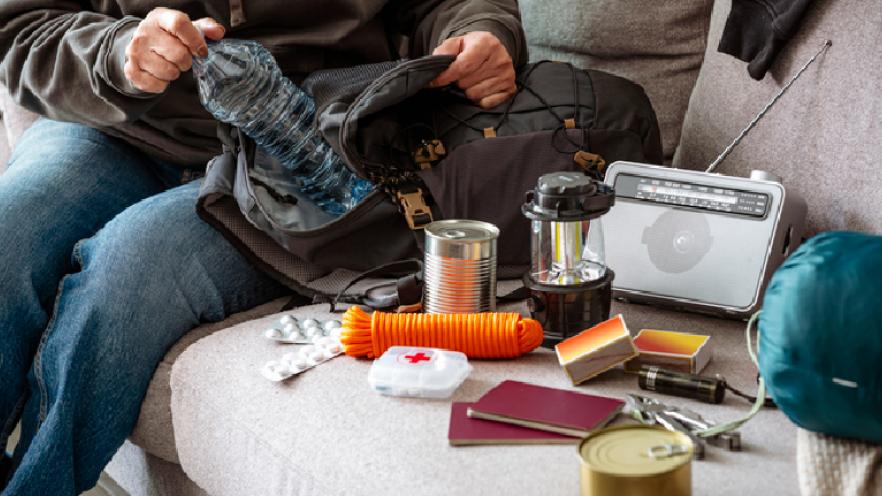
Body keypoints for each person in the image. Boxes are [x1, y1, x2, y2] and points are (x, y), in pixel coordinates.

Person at [0, 1, 526, 494]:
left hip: (301, 150)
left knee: (129, 270)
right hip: (114, 128)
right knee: (10, 235)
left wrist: (479, 35)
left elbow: (452, 5)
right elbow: (21, 27)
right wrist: (115, 54)